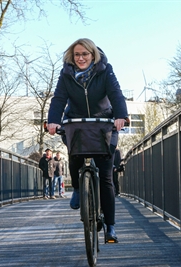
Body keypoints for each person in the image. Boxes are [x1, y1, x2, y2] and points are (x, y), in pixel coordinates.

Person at [46, 38, 128, 242]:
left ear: (93, 55)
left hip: (103, 122)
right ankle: (77, 188)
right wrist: (53, 121)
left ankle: (110, 227)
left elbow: (116, 93)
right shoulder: (66, 74)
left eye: (85, 54)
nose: (81, 58)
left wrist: (121, 115)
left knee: (107, 177)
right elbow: (58, 98)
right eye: (77, 55)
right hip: (77, 121)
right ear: (71, 57)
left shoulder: (105, 70)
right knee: (74, 154)